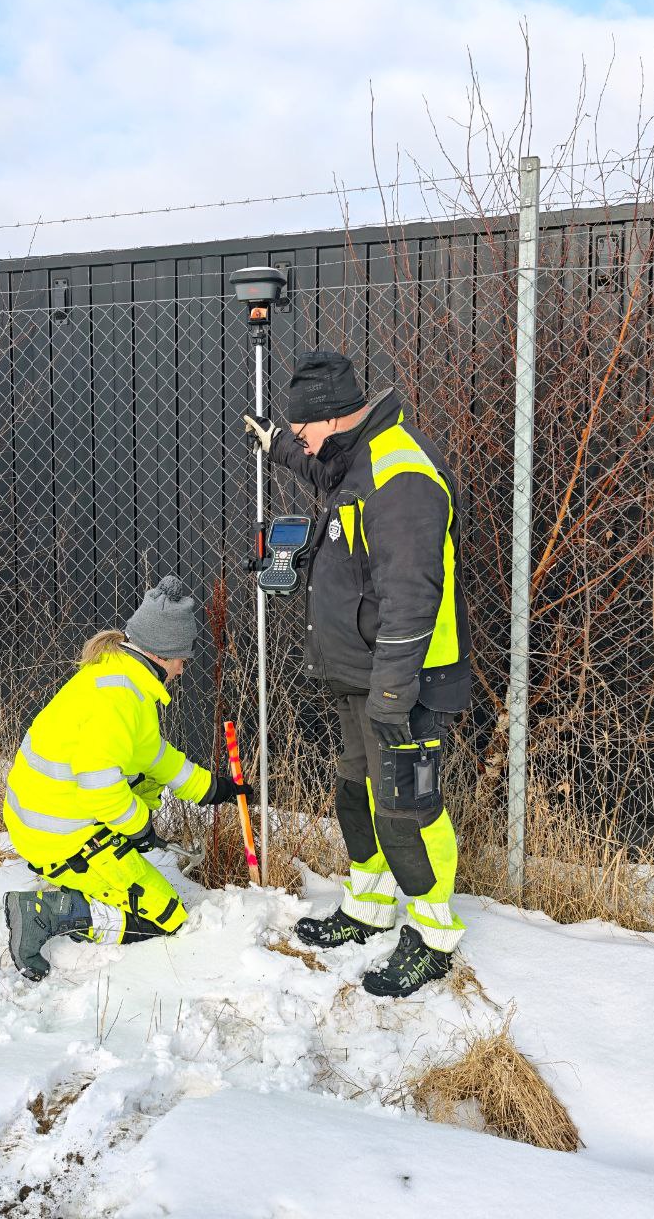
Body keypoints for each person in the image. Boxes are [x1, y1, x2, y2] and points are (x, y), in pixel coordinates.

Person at [245, 349, 472, 997]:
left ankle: (433, 938)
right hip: (359, 673)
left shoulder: (399, 476)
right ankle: (368, 907)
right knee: (357, 795)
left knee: (408, 808)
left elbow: (411, 594)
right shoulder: (354, 460)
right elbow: (319, 468)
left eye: (306, 430)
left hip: (406, 680)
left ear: (336, 419)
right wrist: (275, 444)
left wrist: (394, 692)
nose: (305, 443)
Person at [2, 576, 253, 981]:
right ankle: (43, 915)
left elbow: (154, 757)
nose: (182, 669)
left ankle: (99, 865)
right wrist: (139, 828)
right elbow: (101, 787)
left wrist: (212, 788)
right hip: (58, 834)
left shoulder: (121, 679)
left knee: (146, 783)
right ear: (162, 653)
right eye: (181, 660)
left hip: (53, 818)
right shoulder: (117, 700)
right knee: (167, 917)